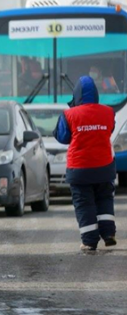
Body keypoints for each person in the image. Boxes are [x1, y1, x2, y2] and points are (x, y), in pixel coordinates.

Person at [53, 76, 117, 252]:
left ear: (77, 94)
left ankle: (89, 241)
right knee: (104, 198)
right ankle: (108, 234)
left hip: (80, 168)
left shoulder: (69, 114)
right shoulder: (108, 112)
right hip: (104, 165)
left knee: (84, 203)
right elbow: (109, 130)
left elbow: (62, 137)